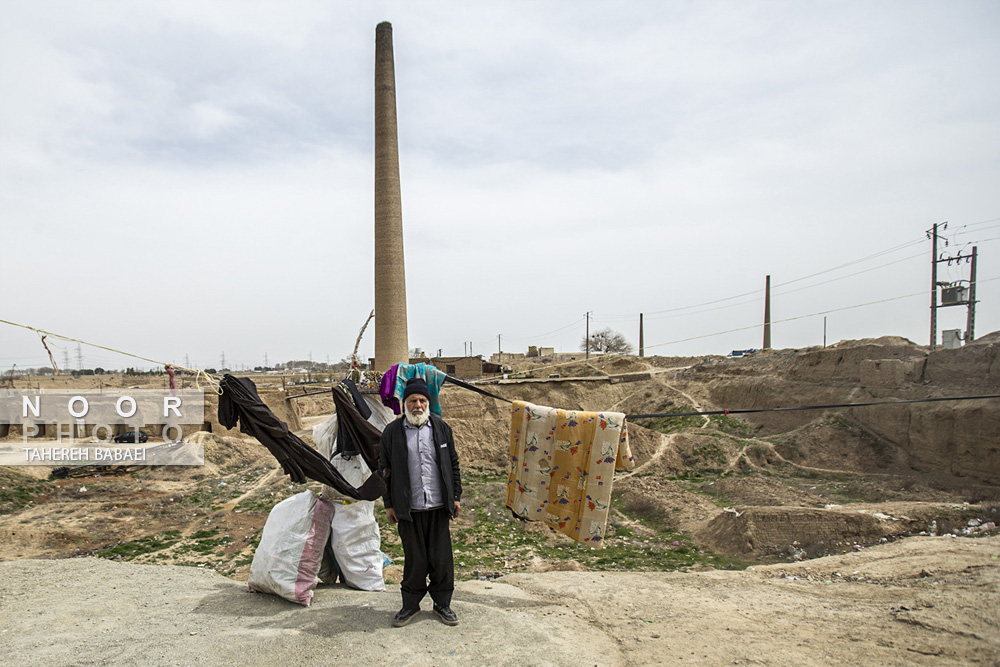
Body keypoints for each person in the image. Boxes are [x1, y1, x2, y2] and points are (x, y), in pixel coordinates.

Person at [378, 377, 462, 627]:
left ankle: (442, 605)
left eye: (422, 400)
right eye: (413, 400)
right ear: (405, 404)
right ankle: (410, 606)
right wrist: (389, 504)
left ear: (428, 402)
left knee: (441, 560)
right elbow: (384, 470)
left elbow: (453, 464)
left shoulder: (441, 428)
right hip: (409, 508)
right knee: (415, 561)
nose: (418, 405)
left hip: (438, 506)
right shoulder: (392, 432)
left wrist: (455, 496)